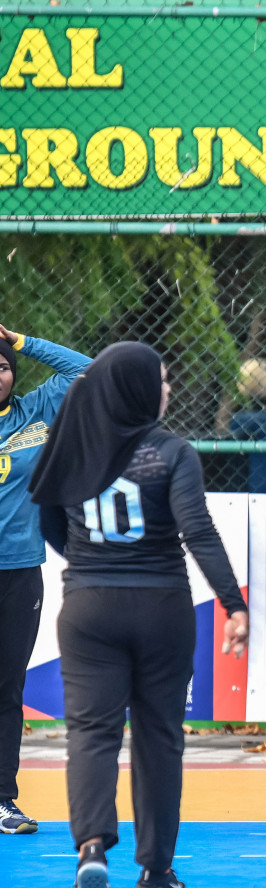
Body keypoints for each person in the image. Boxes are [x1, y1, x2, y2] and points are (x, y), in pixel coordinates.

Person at [28, 342, 250, 888]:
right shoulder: (172, 451)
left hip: (88, 605)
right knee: (158, 739)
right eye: (162, 379)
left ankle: (92, 852)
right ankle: (155, 872)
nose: (168, 388)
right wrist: (233, 602)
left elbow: (49, 516)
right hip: (161, 608)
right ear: (136, 388)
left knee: (92, 734)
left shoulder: (73, 442)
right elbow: (197, 529)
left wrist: (87, 557)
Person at [0, 325, 90, 835]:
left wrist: (22, 342)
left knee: (5, 690)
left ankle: (2, 800)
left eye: (3, 365)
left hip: (17, 573)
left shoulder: (35, 413)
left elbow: (89, 372)